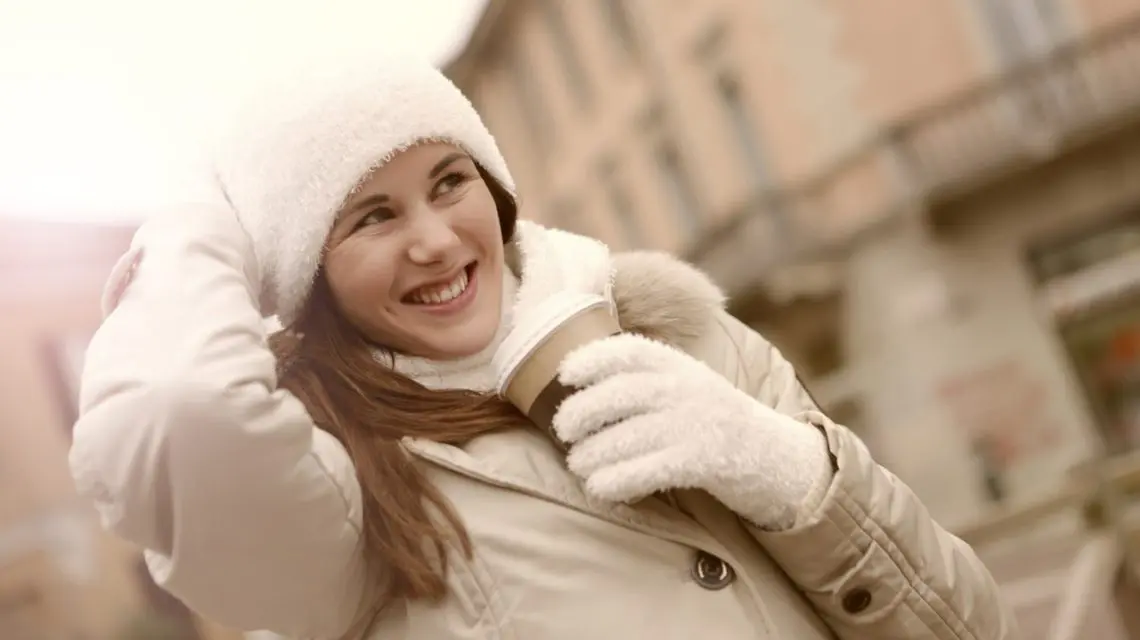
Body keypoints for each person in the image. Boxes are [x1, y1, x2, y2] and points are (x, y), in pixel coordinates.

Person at [70, 56, 1017, 639]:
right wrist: (197, 231)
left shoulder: (682, 337)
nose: (435, 239)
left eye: (450, 181)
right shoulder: (338, 488)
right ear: (305, 277)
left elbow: (968, 627)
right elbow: (177, 416)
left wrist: (790, 479)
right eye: (371, 216)